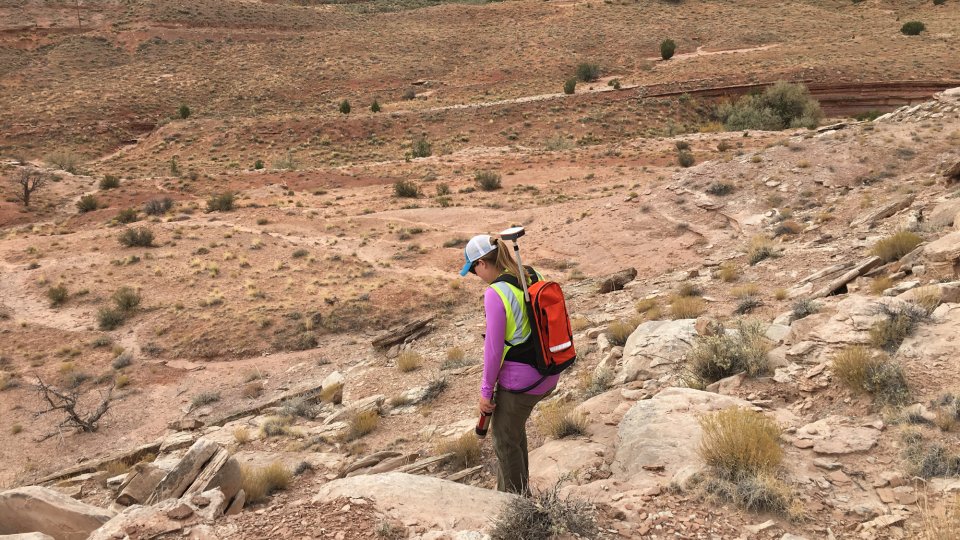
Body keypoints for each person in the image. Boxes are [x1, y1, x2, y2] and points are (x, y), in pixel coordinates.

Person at [459, 234, 560, 495]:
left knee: (504, 438)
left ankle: (514, 504)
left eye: (473, 269)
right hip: (548, 370)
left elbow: (493, 351)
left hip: (522, 383)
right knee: (513, 430)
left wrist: (485, 393)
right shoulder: (528, 273)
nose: (475, 275)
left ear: (482, 263)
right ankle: (519, 491)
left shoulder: (495, 293)